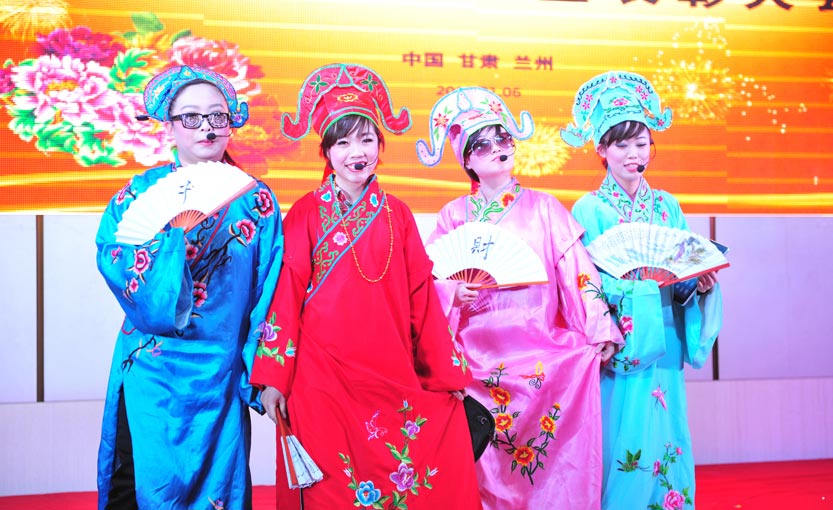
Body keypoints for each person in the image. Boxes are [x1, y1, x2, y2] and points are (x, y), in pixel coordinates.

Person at [250, 63, 482, 510]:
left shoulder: (398, 214)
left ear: (380, 145)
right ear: (326, 151)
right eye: (343, 142)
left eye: (367, 139)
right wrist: (274, 378)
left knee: (404, 475)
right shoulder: (304, 214)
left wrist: (445, 375)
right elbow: (286, 298)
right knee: (329, 488)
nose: (356, 152)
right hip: (321, 378)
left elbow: (421, 300)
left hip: (389, 369)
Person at [415, 87, 624, 510]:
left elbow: (576, 272)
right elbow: (429, 280)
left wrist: (599, 325)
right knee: (479, 458)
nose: (498, 148)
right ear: (467, 161)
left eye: (503, 138)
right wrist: (453, 290)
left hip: (537, 346)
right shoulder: (453, 215)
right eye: (482, 145)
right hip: (475, 355)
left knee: (547, 455)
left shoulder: (545, 208)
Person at [95, 65, 284, 510]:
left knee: (218, 488)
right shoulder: (140, 193)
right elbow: (114, 258)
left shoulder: (257, 201)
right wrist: (169, 246)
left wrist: (265, 373)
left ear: (231, 123)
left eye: (217, 115)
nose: (206, 127)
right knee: (140, 486)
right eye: (191, 117)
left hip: (220, 370)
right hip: (152, 369)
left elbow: (269, 292)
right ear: (169, 127)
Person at [562, 70, 724, 509]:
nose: (634, 154)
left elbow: (683, 270)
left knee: (666, 432)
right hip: (619, 343)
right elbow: (584, 283)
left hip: (665, 336)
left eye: (641, 143)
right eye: (622, 145)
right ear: (601, 150)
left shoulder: (667, 205)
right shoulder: (589, 208)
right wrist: (635, 293)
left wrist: (697, 286)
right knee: (621, 434)